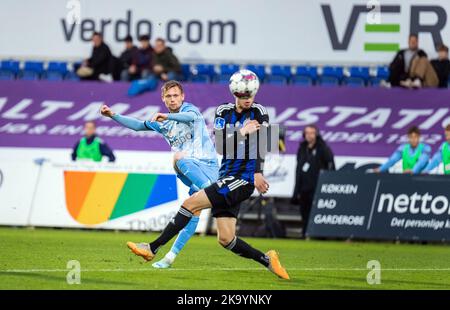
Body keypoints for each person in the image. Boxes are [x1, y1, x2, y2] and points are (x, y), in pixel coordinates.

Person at [125, 71, 290, 280]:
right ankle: (267, 260)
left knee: (190, 204)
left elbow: (264, 145)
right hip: (226, 176)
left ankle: (152, 247)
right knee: (226, 239)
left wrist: (258, 172)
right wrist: (242, 132)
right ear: (234, 93)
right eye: (242, 95)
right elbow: (221, 147)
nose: (247, 99)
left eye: (251, 94)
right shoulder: (222, 111)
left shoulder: (259, 111)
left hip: (243, 178)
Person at [100, 80, 219, 269]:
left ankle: (214, 192)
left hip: (208, 168)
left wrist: (168, 117)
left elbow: (188, 117)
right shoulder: (163, 123)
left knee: (178, 158)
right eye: (168, 96)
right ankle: (169, 258)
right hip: (192, 172)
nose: (172, 99)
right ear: (163, 99)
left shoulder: (190, 110)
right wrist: (112, 115)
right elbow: (138, 125)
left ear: (182, 97)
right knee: (191, 209)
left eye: (175, 95)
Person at [291, 125, 335, 236]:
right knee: (304, 212)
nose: (309, 135)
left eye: (312, 133)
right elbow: (299, 168)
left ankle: (317, 234)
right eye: (307, 133)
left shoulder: (323, 148)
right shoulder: (302, 148)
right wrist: (296, 190)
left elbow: (331, 166)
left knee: (315, 212)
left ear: (316, 134)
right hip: (303, 187)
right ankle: (305, 233)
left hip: (317, 187)